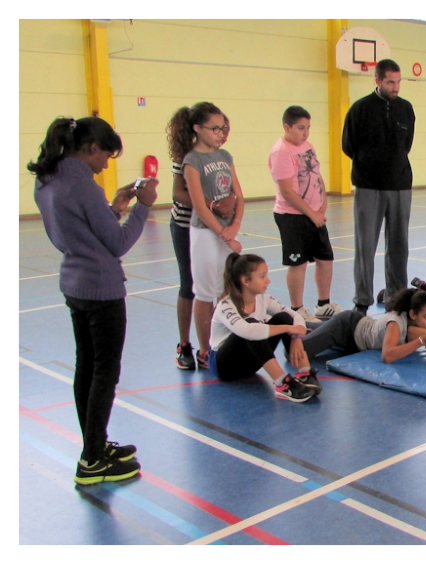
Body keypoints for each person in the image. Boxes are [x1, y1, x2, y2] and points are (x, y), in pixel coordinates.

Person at [29, 116, 158, 484]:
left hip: (74, 283)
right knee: (104, 372)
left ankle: (95, 444)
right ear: (91, 148)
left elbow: (82, 229)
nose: (105, 165)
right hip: (101, 288)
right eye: (106, 156)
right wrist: (143, 207)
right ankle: (91, 460)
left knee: (85, 367)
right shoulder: (82, 185)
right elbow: (116, 243)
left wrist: (114, 208)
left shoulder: (48, 180)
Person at [166, 102, 244, 370]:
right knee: (191, 286)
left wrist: (231, 207)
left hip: (221, 226)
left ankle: (219, 342)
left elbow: (235, 191)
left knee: (223, 287)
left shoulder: (223, 155)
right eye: (216, 129)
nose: (221, 134)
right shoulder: (188, 158)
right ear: (198, 128)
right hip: (189, 225)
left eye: (224, 129)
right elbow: (180, 194)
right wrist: (214, 208)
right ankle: (188, 345)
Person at [342, 58, 416, 314]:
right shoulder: (360, 109)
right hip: (369, 187)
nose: (396, 87)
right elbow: (348, 145)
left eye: (398, 82)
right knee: (365, 246)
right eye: (390, 82)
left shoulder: (406, 108)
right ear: (377, 81)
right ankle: (362, 301)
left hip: (400, 186)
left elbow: (407, 145)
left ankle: (397, 296)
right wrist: (370, 165)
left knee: (399, 246)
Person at [209, 253, 320, 402]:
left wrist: (296, 337)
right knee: (254, 327)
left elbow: (295, 316)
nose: (268, 280)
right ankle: (282, 384)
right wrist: (288, 329)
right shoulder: (226, 306)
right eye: (262, 276)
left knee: (284, 318)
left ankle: (305, 374)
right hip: (225, 367)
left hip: (250, 364)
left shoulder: (262, 298)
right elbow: (248, 331)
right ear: (246, 281)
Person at [268, 105, 342, 322]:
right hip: (292, 216)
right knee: (298, 263)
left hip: (314, 215)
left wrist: (323, 201)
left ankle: (323, 304)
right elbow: (287, 192)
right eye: (301, 128)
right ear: (287, 127)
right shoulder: (281, 151)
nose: (306, 133)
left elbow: (317, 175)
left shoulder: (307, 146)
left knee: (325, 258)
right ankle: (297, 308)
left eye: (308, 128)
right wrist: (311, 214)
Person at [302, 288, 426, 364]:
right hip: (346, 329)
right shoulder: (396, 322)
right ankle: (291, 322)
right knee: (299, 351)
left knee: (306, 328)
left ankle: (298, 324)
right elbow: (387, 356)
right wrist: (421, 341)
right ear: (413, 314)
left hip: (355, 342)